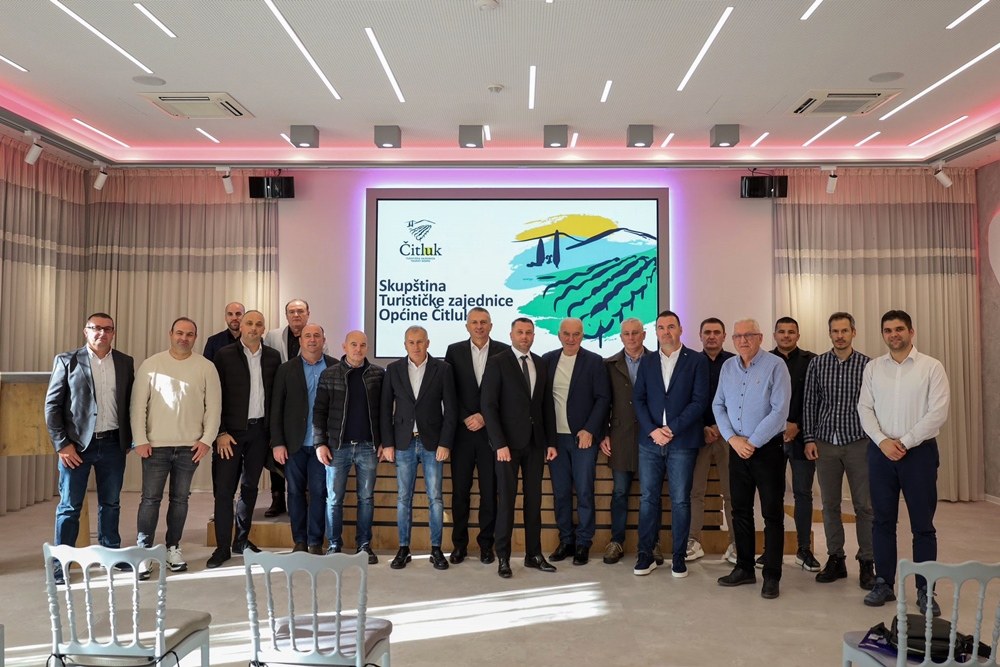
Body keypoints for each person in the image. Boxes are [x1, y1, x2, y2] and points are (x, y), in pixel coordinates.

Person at [858, 310, 949, 614]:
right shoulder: (873, 368)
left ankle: (925, 590)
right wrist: (883, 441)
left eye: (899, 329)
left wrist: (905, 442)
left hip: (919, 453)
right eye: (888, 330)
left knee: (922, 525)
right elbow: (864, 409)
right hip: (881, 452)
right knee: (882, 521)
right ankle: (883, 583)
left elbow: (938, 412)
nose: (893, 334)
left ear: (911, 331)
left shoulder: (931, 367)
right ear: (883, 334)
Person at [44, 313, 134, 584]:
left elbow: (129, 402)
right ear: (86, 331)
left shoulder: (125, 362)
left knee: (111, 503)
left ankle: (110, 555)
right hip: (76, 447)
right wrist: (62, 445)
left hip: (113, 444)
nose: (102, 333)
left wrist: (129, 439)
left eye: (107, 329)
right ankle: (61, 563)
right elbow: (52, 406)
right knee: (69, 506)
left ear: (113, 332)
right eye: (96, 328)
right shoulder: (67, 360)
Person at [132, 317, 221, 579]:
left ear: (195, 337)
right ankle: (144, 551)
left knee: (180, 499)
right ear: (170, 334)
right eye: (179, 333)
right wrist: (140, 439)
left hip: (189, 448)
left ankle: (173, 548)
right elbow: (138, 406)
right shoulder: (151, 364)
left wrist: (206, 440)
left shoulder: (206, 367)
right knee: (150, 500)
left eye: (189, 334)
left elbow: (214, 408)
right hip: (155, 446)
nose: (184, 338)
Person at [713, 318, 790, 600]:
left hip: (767, 450)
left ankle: (772, 575)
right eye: (738, 336)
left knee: (772, 513)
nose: (743, 340)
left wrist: (753, 442)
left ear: (760, 337)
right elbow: (718, 405)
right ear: (732, 340)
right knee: (740, 511)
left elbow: (780, 411)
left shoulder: (776, 366)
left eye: (749, 335)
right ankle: (744, 568)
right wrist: (733, 440)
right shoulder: (728, 367)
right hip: (737, 449)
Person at [632, 311, 709, 578]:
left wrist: (672, 428)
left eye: (671, 326)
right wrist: (653, 430)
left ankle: (678, 558)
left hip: (682, 442)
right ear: (656, 332)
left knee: (680, 501)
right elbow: (638, 399)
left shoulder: (696, 361)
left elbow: (699, 401)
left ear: (680, 329)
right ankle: (646, 555)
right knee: (648, 500)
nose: (666, 332)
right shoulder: (647, 361)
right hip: (650, 442)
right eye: (661, 327)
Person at [481, 317, 558, 579]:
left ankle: (533, 555)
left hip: (535, 444)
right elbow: (489, 406)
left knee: (534, 501)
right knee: (507, 501)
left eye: (529, 332)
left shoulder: (540, 363)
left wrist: (550, 442)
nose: (524, 336)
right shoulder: (497, 362)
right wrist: (499, 443)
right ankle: (503, 557)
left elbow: (546, 405)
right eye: (520, 332)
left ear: (534, 336)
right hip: (507, 447)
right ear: (511, 335)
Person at [802, 312, 875, 589]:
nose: (840, 336)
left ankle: (867, 561)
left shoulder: (868, 365)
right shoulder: (817, 364)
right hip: (825, 444)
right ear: (830, 334)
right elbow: (810, 403)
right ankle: (836, 558)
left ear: (853, 332)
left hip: (858, 442)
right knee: (830, 505)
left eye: (845, 330)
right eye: (835, 331)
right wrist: (809, 439)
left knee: (864, 506)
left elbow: (874, 405)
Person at [207, 310, 281, 568]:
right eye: (249, 323)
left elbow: (276, 399)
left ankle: (241, 540)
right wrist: (220, 432)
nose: (253, 328)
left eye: (258, 324)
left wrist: (272, 435)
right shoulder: (224, 355)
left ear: (263, 329)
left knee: (250, 488)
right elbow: (213, 397)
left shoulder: (273, 357)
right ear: (241, 326)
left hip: (259, 433)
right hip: (230, 435)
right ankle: (221, 547)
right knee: (224, 491)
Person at [381, 326, 457, 570]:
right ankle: (404, 549)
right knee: (404, 498)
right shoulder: (393, 369)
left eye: (420, 342)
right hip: (403, 443)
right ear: (405, 344)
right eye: (411, 342)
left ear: (428, 343)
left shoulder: (442, 369)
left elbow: (451, 410)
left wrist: (445, 442)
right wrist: (388, 443)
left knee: (435, 498)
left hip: (433, 444)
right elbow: (385, 409)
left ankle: (436, 549)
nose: (416, 346)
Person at [542, 317, 611, 566]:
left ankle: (583, 542)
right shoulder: (547, 360)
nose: (571, 339)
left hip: (583, 439)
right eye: (566, 334)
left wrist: (590, 429)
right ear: (559, 335)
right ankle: (566, 541)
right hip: (555, 440)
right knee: (560, 493)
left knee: (583, 491)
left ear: (583, 335)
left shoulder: (594, 361)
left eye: (576, 334)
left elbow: (603, 398)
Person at [444, 307, 509, 565]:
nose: (479, 326)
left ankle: (486, 546)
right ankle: (459, 545)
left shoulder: (504, 351)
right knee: (460, 492)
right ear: (467, 326)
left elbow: (507, 393)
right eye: (474, 322)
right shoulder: (454, 351)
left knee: (489, 493)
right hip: (462, 434)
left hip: (491, 435)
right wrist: (466, 417)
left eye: (483, 322)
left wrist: (484, 416)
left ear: (491, 325)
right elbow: (449, 392)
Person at [313, 330, 384, 564]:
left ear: (367, 348)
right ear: (344, 346)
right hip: (337, 447)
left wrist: (384, 442)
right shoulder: (329, 374)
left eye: (362, 345)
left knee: (366, 498)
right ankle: (334, 545)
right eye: (353, 344)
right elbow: (319, 412)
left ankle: (364, 545)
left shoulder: (377, 375)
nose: (358, 349)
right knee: (334, 499)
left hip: (368, 447)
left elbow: (384, 412)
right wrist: (320, 443)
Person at [271, 324, 335, 554]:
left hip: (323, 445)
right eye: (308, 336)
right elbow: (276, 408)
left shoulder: (335, 366)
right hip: (293, 444)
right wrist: (277, 442)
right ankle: (299, 540)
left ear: (323, 340)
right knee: (295, 493)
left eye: (317, 335)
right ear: (300, 341)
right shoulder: (286, 369)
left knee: (319, 493)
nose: (312, 339)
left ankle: (315, 541)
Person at [600, 318, 656, 565]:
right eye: (626, 333)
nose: (631, 337)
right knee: (620, 492)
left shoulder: (657, 361)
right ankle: (617, 541)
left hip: (651, 438)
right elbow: (603, 401)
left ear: (644, 335)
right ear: (620, 336)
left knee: (651, 494)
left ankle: (651, 544)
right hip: (620, 437)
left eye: (635, 333)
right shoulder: (609, 364)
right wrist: (604, 433)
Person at [768, 316, 820, 572]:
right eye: (782, 331)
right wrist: (779, 425)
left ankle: (804, 549)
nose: (786, 336)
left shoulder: (812, 361)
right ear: (774, 335)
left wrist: (796, 424)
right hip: (771, 439)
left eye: (791, 332)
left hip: (802, 438)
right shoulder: (764, 361)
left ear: (798, 335)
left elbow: (815, 398)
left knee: (802, 494)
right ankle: (771, 550)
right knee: (772, 494)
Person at [689, 317, 736, 564]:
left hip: (729, 436)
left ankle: (736, 544)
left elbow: (740, 398)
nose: (711, 336)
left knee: (732, 493)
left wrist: (721, 427)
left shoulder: (735, 362)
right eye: (707, 332)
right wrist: (703, 428)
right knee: (696, 491)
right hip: (699, 435)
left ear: (724, 336)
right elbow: (686, 399)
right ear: (700, 336)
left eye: (716, 332)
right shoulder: (691, 362)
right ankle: (693, 541)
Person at [262, 298, 313, 517]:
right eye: (292, 311)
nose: (296, 315)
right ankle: (277, 499)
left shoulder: (314, 335)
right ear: (286, 315)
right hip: (278, 397)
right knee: (277, 449)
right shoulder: (273, 336)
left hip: (302, 402)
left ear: (308, 314)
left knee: (300, 452)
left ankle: (302, 499)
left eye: (300, 311)